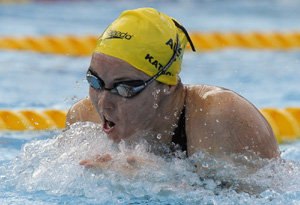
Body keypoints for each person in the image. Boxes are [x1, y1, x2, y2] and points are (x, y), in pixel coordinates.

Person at [66, 8, 280, 169]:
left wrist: (167, 188)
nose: (103, 103)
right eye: (95, 82)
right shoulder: (83, 119)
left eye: (124, 89)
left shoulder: (221, 119)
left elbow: (270, 195)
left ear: (167, 85)